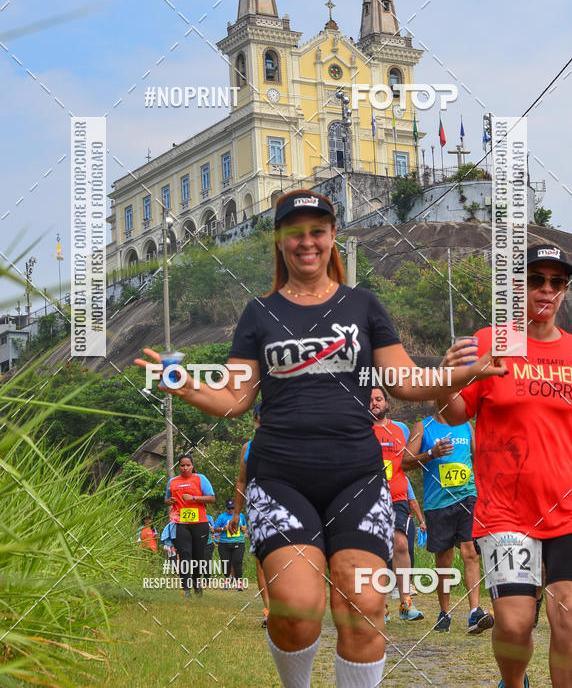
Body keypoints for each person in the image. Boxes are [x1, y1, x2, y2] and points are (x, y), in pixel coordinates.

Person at [135, 189, 505, 687]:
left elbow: (403, 381)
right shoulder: (259, 313)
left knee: (365, 604)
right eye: (295, 232)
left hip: (357, 476)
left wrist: (463, 374)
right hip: (281, 479)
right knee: (296, 609)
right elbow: (236, 397)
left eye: (318, 231)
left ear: (332, 236)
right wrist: (183, 385)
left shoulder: (363, 305)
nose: (307, 241)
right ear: (279, 240)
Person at [441, 244, 572, 688]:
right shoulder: (491, 343)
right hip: (506, 513)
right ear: (517, 287)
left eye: (557, 282)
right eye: (536, 280)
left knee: (569, 616)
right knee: (514, 624)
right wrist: (448, 379)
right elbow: (453, 414)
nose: (546, 290)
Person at [402, 408, 493, 635]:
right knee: (444, 560)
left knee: (470, 552)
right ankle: (444, 613)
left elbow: (480, 459)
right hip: (438, 503)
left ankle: (475, 612)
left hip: (467, 496)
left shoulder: (466, 426)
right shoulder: (423, 427)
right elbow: (405, 462)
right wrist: (430, 454)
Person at [369, 386, 424, 622]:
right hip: (370, 498)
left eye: (378, 399)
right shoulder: (361, 430)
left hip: (398, 497)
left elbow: (409, 460)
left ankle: (405, 603)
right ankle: (379, 606)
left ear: (386, 403)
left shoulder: (401, 429)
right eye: (370, 400)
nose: (374, 403)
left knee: (400, 544)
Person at [230, 403, 270, 625]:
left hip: (285, 509)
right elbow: (241, 481)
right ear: (255, 420)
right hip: (256, 509)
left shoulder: (289, 442)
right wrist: (236, 514)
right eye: (262, 417)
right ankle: (269, 611)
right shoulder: (247, 448)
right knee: (261, 560)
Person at [164, 453, 215, 598]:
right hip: (181, 523)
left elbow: (212, 498)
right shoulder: (172, 481)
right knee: (184, 554)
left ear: (192, 466)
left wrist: (193, 497)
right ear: (178, 466)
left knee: (198, 556)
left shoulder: (200, 479)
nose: (185, 468)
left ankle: (197, 584)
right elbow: (166, 500)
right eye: (182, 465)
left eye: (188, 465)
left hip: (200, 523)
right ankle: (186, 588)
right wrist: (169, 501)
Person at [214, 498, 248, 589]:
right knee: (225, 563)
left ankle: (238, 582)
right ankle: (227, 579)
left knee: (237, 562)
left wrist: (244, 528)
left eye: (233, 508)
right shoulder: (222, 517)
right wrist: (223, 529)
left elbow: (244, 526)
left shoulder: (241, 516)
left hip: (239, 542)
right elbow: (215, 529)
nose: (231, 510)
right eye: (229, 508)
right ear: (226, 508)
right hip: (224, 543)